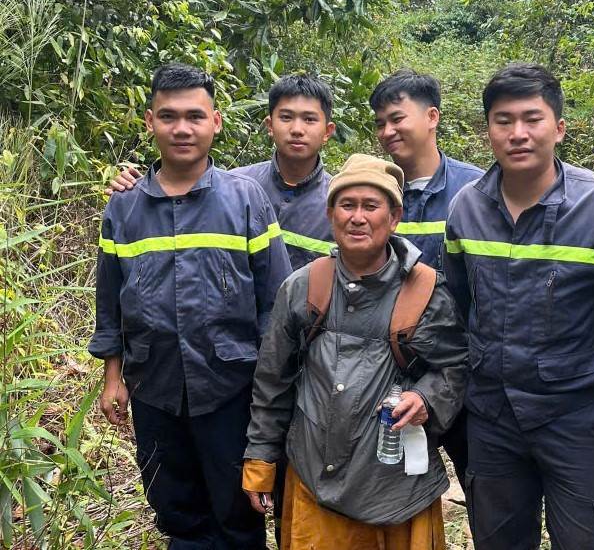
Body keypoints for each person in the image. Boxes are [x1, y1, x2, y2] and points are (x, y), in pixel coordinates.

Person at [90, 62, 291, 549]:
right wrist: (113, 376)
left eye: (195, 116)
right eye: (169, 116)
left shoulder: (246, 200)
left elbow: (276, 304)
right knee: (175, 510)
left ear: (215, 122)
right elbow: (110, 302)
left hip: (232, 388)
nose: (182, 128)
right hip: (154, 386)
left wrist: (274, 391)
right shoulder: (124, 207)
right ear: (150, 121)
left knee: (238, 512)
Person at [241, 154, 469, 550]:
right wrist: (260, 460)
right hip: (313, 480)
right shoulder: (303, 287)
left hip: (399, 490)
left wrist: (426, 398)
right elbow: (273, 381)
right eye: (347, 205)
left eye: (371, 206)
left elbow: (456, 365)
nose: (357, 218)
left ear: (394, 217)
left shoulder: (427, 291)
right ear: (331, 214)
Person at [442, 63, 594, 550]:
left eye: (532, 119)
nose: (517, 133)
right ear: (488, 130)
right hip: (492, 418)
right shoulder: (466, 208)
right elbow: (458, 306)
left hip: (578, 418)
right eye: (503, 121)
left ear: (559, 128)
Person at [370, 68, 483, 488]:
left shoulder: (475, 190)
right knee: (393, 487)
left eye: (397, 118)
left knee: (482, 485)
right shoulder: (375, 190)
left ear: (432, 116)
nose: (388, 131)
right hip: (393, 369)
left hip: (461, 366)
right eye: (380, 123)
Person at [106, 74, 337, 269]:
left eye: (309, 119)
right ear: (269, 125)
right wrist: (144, 189)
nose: (297, 129)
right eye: (286, 117)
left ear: (327, 131)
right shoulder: (238, 188)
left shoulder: (340, 202)